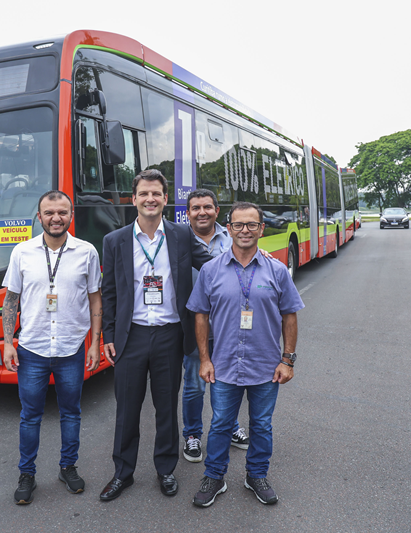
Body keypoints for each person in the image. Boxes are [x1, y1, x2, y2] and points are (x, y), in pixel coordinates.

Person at [99, 169, 214, 501]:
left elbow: (210, 265)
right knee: (127, 410)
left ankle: (166, 469)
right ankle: (123, 473)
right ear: (133, 199)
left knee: (166, 408)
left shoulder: (180, 235)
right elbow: (109, 293)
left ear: (166, 199)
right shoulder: (115, 240)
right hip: (130, 336)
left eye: (157, 194)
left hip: (168, 335)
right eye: (143, 193)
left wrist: (249, 257)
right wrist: (108, 333)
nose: (150, 199)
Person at [187, 201, 304, 508]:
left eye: (252, 225)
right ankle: (214, 476)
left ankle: (256, 475)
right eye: (238, 225)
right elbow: (200, 315)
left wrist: (287, 359)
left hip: (266, 366)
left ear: (261, 229)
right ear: (229, 228)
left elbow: (290, 315)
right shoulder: (210, 271)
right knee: (222, 423)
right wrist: (204, 359)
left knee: (261, 425)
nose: (245, 231)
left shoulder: (277, 271)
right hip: (224, 364)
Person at [2, 190, 102, 505]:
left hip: (71, 348)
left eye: (62, 212)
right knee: (30, 415)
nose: (56, 218)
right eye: (49, 212)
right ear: (39, 216)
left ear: (71, 215)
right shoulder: (22, 252)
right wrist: (7, 343)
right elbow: (11, 300)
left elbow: (95, 298)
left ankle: (67, 467)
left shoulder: (87, 252)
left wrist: (94, 343)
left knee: (71, 413)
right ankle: (27, 474)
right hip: (31, 349)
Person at [182, 189, 248, 464]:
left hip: (227, 326)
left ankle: (230, 427)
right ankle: (192, 435)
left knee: (228, 382)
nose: (202, 212)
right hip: (193, 326)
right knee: (195, 384)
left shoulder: (232, 235)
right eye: (195, 208)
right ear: (188, 213)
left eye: (207, 207)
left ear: (217, 211)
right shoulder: (177, 239)